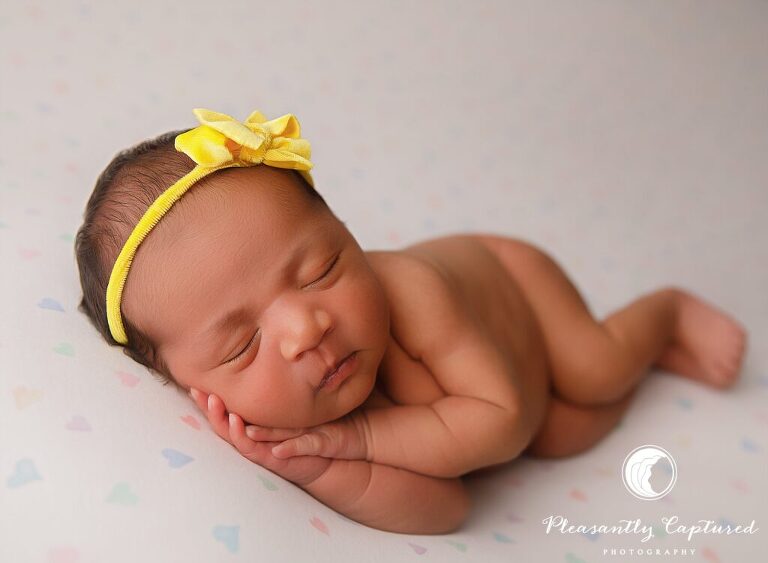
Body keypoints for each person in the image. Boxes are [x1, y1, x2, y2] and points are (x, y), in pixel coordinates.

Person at [75, 108, 748, 535]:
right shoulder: (286, 418)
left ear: (345, 226)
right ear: (191, 386)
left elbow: (501, 422)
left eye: (320, 269)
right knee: (569, 432)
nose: (305, 327)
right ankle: (657, 363)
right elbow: (449, 509)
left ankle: (663, 314)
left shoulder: (412, 291)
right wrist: (319, 467)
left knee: (591, 372)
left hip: (515, 293)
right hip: (491, 414)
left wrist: (360, 437)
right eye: (242, 343)